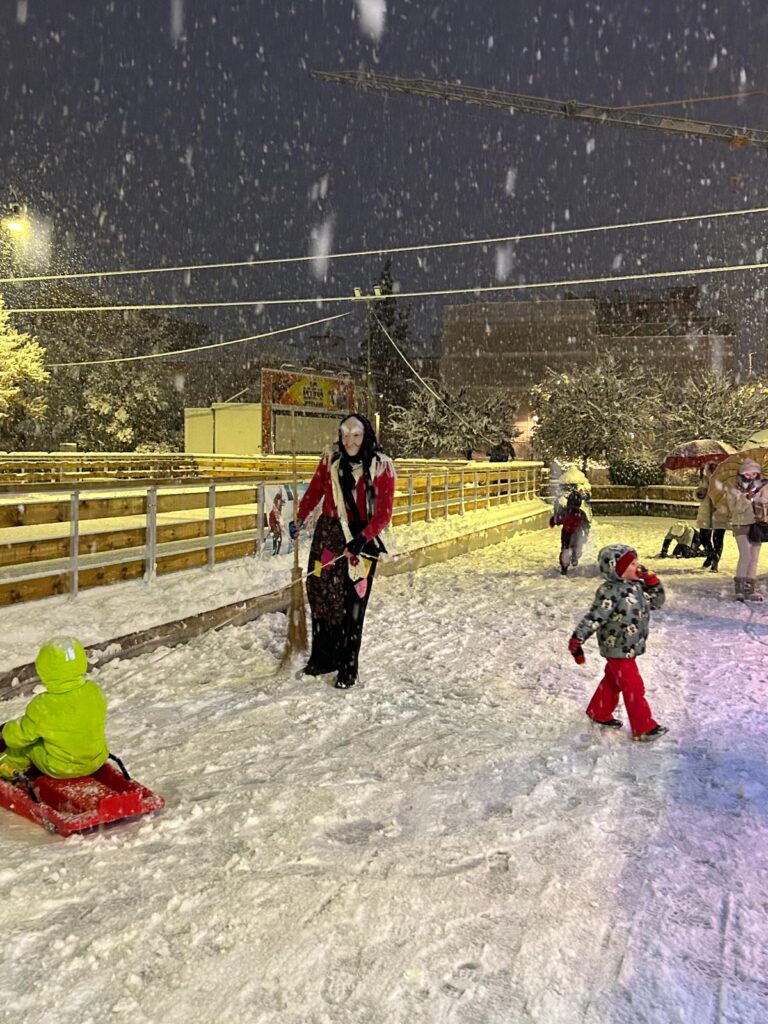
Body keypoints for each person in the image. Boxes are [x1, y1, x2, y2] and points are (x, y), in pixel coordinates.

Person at [291, 414, 396, 689]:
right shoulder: (330, 461)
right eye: (345, 434)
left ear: (366, 437)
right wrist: (300, 516)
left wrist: (363, 539)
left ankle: (347, 666)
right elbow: (315, 491)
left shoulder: (380, 467)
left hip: (360, 539)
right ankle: (324, 657)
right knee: (321, 595)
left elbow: (383, 513)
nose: (350, 441)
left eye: (356, 435)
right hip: (327, 537)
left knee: (352, 604)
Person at [568, 544, 668, 741]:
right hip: (616, 646)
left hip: (629, 646)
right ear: (617, 568)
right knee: (633, 686)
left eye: (636, 562)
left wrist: (652, 581)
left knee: (613, 681)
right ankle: (643, 727)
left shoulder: (637, 586)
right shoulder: (609, 591)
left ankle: (599, 711)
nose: (637, 567)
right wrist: (577, 639)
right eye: (631, 563)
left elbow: (657, 602)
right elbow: (594, 617)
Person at [0, 637, 109, 779]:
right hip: (97, 759)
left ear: (44, 669)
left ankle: (6, 769)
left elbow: (21, 735)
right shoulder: (95, 691)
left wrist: (5, 732)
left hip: (61, 767)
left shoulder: (44, 705)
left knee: (26, 747)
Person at [714, 457, 768, 602]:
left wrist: (761, 500)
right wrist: (747, 498)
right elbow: (734, 510)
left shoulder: (764, 487)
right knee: (745, 555)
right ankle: (739, 589)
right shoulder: (733, 489)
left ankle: (750, 590)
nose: (751, 477)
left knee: (754, 558)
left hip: (758, 525)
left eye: (754, 474)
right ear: (742, 474)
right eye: (748, 474)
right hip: (741, 524)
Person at [550, 488, 591, 575]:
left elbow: (557, 519)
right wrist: (586, 534)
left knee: (565, 549)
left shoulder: (565, 512)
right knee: (576, 547)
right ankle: (574, 557)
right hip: (577, 534)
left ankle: (564, 566)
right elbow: (586, 525)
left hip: (566, 534)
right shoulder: (580, 513)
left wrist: (553, 522)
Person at [695, 467, 729, 572]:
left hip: (720, 512)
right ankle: (711, 555)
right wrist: (699, 493)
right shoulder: (705, 479)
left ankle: (715, 563)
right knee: (703, 537)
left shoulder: (726, 479)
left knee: (717, 539)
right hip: (706, 512)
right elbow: (699, 495)